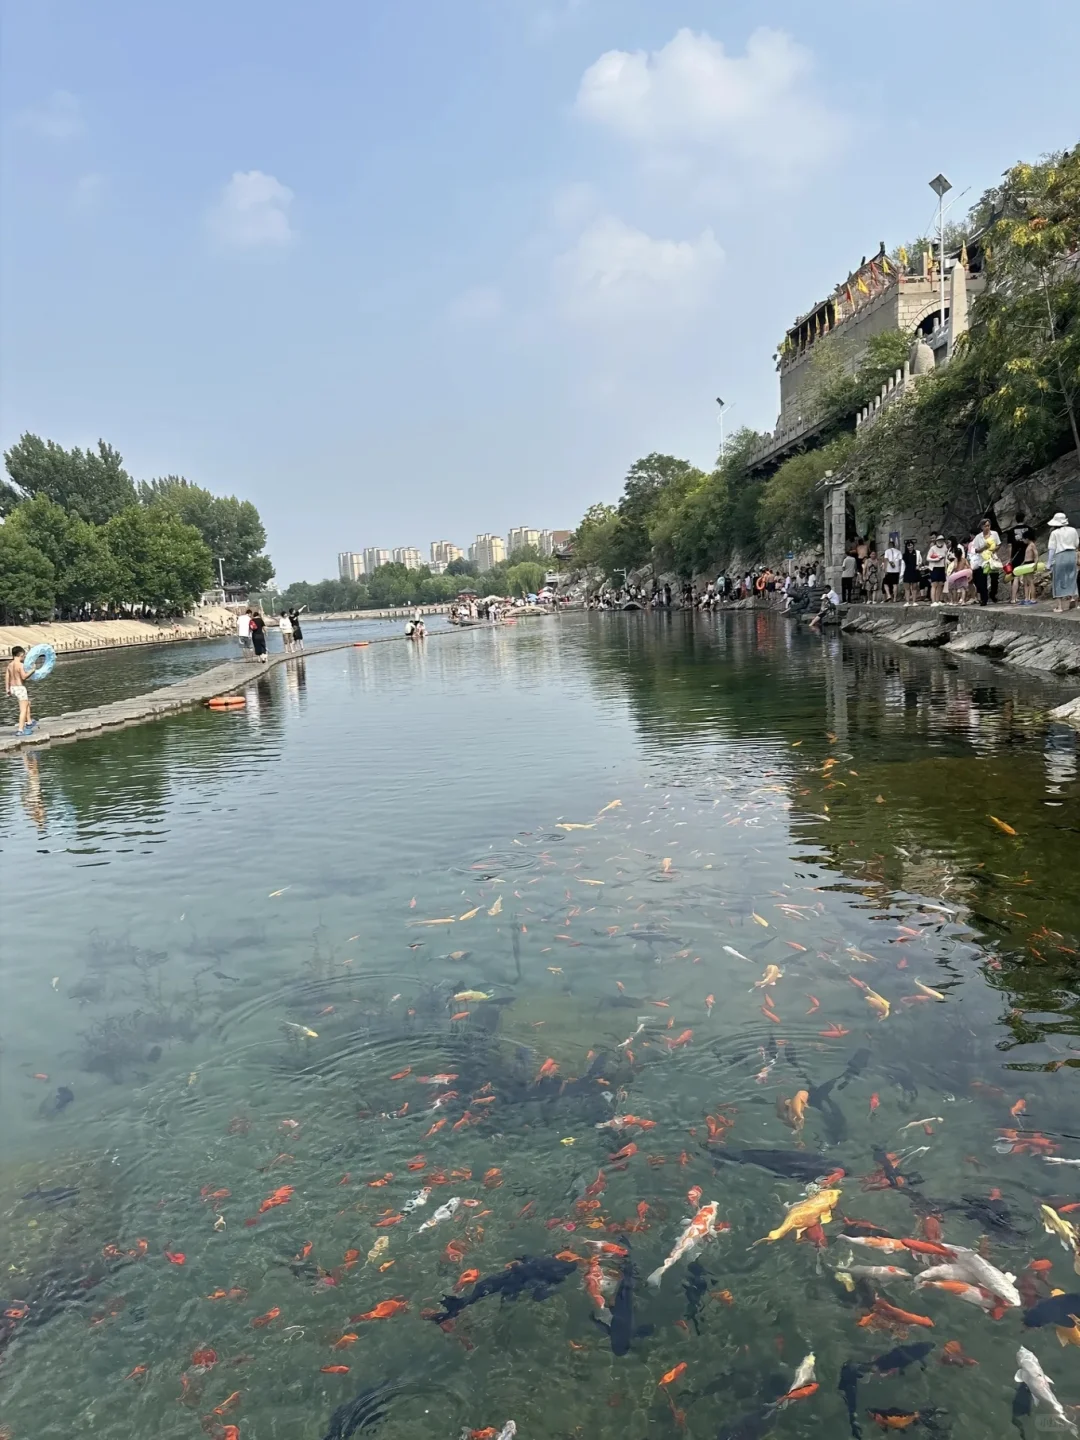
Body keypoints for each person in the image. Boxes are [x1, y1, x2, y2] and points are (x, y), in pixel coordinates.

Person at [1048, 510, 1079, 613]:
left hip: (1060, 555)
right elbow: (1076, 543)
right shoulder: (1073, 530)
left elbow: (1052, 549)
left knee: (1058, 580)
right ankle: (1075, 601)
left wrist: (1049, 563)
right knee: (1072, 578)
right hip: (1072, 555)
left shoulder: (1054, 533)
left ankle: (1059, 607)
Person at [5, 646, 37, 734]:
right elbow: (24, 677)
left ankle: (29, 722)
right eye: (24, 656)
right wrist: (32, 670)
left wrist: (7, 689)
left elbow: (7, 677)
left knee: (27, 703)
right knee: (23, 709)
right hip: (20, 688)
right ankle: (20, 730)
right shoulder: (20, 665)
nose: (24, 658)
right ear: (21, 654)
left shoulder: (10, 665)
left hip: (13, 688)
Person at [970, 517, 1001, 606]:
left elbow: (999, 544)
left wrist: (993, 550)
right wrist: (984, 548)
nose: (987, 527)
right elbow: (975, 550)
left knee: (995, 579)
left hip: (992, 558)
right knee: (982, 581)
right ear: (982, 527)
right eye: (985, 526)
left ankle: (993, 593)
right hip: (982, 561)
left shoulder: (994, 534)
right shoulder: (978, 537)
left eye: (988, 525)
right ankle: (984, 599)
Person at [1008, 512, 1033, 605]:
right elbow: (1032, 543)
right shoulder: (1029, 529)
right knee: (1028, 577)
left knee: (1015, 577)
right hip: (1028, 556)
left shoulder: (1011, 531)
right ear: (1024, 518)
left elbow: (1010, 546)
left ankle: (1013, 598)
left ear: (1016, 519)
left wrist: (1010, 558)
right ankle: (1028, 597)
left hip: (1016, 555)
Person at [947, 537, 973, 603]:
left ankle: (955, 601)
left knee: (955, 588)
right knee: (963, 589)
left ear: (955, 554)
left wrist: (951, 573)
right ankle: (963, 601)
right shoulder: (964, 560)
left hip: (957, 575)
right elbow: (968, 566)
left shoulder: (956, 560)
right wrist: (969, 573)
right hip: (963, 575)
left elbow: (955, 567)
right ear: (962, 553)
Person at [926, 534, 949, 604]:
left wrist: (946, 567)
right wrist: (936, 559)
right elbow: (928, 558)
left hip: (942, 567)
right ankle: (933, 601)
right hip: (934, 567)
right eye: (939, 540)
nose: (940, 541)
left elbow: (945, 558)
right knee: (934, 584)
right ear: (936, 541)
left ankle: (938, 600)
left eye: (942, 540)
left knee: (940, 584)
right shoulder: (933, 548)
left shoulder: (945, 548)